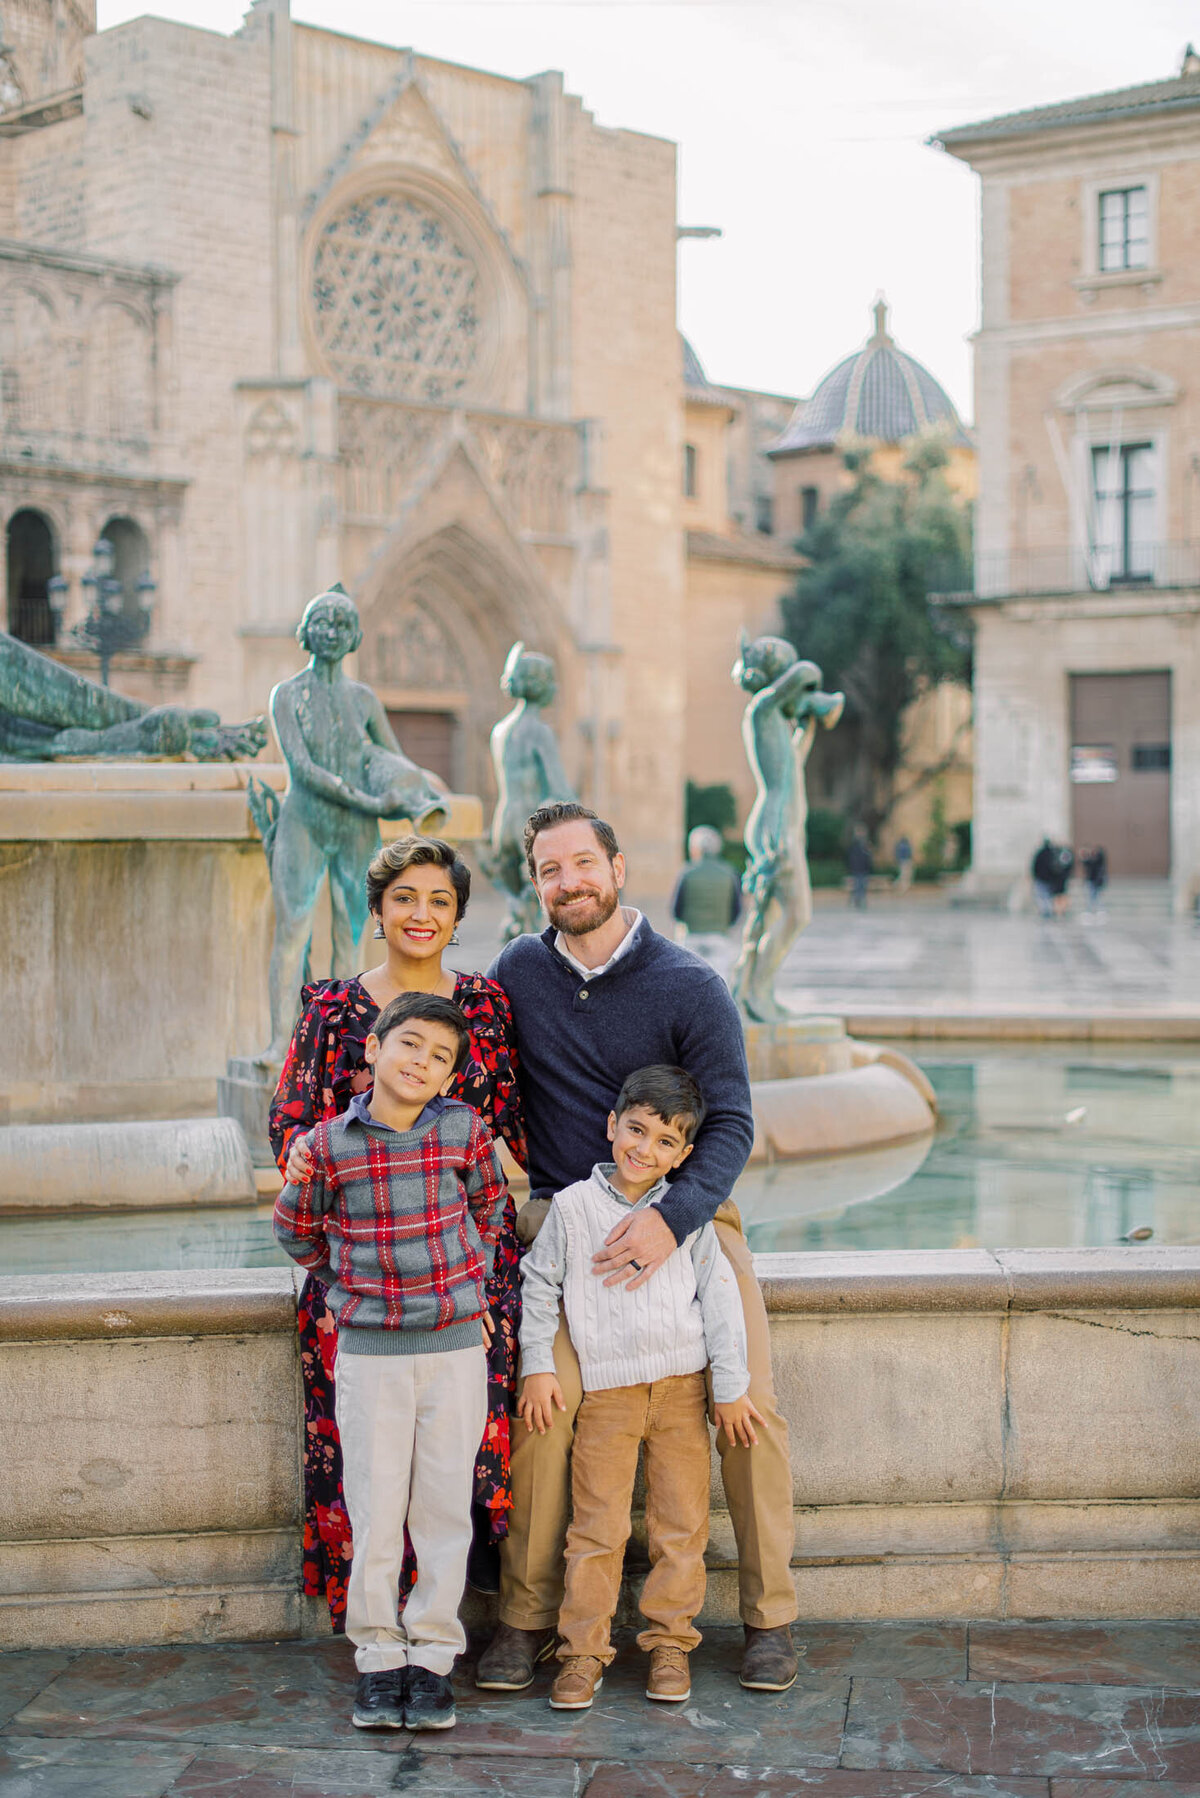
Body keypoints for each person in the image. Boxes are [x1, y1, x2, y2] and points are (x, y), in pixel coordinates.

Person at [475, 801, 799, 1697]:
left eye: (584, 863)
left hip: (688, 1220)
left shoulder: (690, 984)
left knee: (751, 1410)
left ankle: (769, 1617)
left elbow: (732, 1119)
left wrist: (674, 1216)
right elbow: (455, 1057)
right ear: (535, 883)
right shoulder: (517, 974)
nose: (569, 882)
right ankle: (527, 1618)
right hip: (569, 1228)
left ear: (618, 869)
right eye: (549, 869)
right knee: (544, 1412)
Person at [271, 836, 526, 1624]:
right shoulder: (332, 1008)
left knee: (460, 1451)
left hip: (465, 1276)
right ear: (378, 911)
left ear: (456, 917)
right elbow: (292, 1135)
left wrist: (478, 1262)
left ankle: (452, 1613)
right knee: (370, 1462)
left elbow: (510, 1130)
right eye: (405, 899)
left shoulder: (485, 1005)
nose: (422, 914)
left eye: (440, 901)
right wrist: (345, 1263)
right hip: (362, 1279)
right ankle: (377, 1623)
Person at [274, 993, 509, 1733]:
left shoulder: (463, 1132)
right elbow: (296, 1229)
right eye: (409, 1045)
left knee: (442, 1508)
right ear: (373, 1049)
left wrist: (465, 1282)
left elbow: (490, 1210)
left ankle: (432, 1656)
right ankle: (379, 1658)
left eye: (440, 1058)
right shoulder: (329, 1143)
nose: (422, 1063)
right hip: (371, 1352)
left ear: (449, 1078)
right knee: (376, 1511)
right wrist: (346, 1292)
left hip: (453, 1348)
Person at [518, 1065, 753, 1710]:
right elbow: (537, 1290)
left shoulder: (686, 1216)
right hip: (607, 1398)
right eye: (637, 1130)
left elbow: (720, 1301)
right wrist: (538, 1366)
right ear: (612, 1125)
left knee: (681, 1527)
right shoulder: (571, 1209)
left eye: (664, 1142)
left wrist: (729, 1389)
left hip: (682, 1390)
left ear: (684, 1154)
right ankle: (581, 1653)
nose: (644, 1150)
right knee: (596, 1529)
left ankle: (671, 1640)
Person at [669, 825, 743, 969]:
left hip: (692, 938)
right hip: (719, 938)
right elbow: (736, 909)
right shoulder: (729, 873)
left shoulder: (687, 872)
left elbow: (676, 910)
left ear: (695, 848)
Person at [846, 825, 872, 910]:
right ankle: (856, 901)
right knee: (858, 886)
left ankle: (859, 900)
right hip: (857, 869)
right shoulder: (855, 845)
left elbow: (867, 858)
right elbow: (851, 858)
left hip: (863, 869)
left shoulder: (865, 844)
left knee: (862, 886)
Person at [1031, 838, 1056, 917]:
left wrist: (1035, 876)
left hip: (1041, 879)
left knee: (1040, 895)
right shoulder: (1052, 853)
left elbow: (1035, 866)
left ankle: (1045, 911)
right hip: (1049, 879)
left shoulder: (1040, 853)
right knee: (1047, 896)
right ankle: (1048, 910)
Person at [1050, 842, 1075, 918]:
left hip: (1060, 879)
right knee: (1059, 896)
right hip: (1059, 879)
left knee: (1060, 896)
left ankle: (1060, 911)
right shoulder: (1059, 855)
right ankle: (1059, 911)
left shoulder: (1061, 855)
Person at [1082, 844, 1108, 916]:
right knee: (1091, 896)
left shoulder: (1098, 861)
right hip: (1091, 880)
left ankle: (1100, 909)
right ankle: (1092, 910)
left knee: (1097, 896)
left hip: (1096, 881)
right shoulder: (1091, 860)